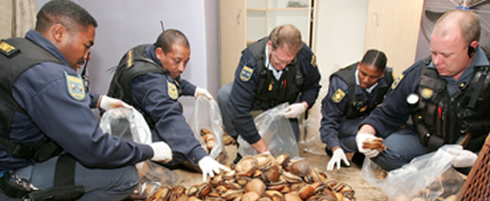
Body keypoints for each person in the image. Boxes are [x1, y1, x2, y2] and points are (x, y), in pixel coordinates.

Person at [0, 0, 173, 201]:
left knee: (74, 135)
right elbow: (95, 149)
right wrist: (149, 150)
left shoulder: (12, 48)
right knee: (124, 176)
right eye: (86, 45)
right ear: (58, 33)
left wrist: (96, 100)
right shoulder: (51, 75)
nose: (87, 55)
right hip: (1, 184)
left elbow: (32, 94)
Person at [355, 9, 490, 172]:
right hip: (429, 145)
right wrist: (364, 135)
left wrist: (479, 159)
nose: (437, 61)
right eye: (433, 52)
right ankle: (433, 179)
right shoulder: (420, 72)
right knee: (385, 150)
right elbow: (387, 113)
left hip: (474, 155)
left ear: (472, 48)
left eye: (446, 55)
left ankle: (457, 179)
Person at [107, 29, 227, 180]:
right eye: (177, 61)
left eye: (186, 62)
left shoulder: (145, 52)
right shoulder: (148, 81)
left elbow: (167, 78)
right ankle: (139, 158)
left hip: (133, 114)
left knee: (177, 121)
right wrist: (199, 155)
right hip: (125, 130)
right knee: (175, 152)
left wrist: (193, 90)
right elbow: (169, 117)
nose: (182, 68)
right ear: (159, 53)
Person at [217, 24, 321, 158]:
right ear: (270, 45)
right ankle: (238, 138)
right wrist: (263, 149)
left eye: (289, 62)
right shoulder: (252, 59)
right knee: (225, 95)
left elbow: (313, 85)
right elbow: (240, 110)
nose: (283, 66)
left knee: (288, 156)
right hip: (258, 98)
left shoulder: (304, 55)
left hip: (286, 103)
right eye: (279, 60)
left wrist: (304, 105)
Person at [320, 49, 393, 171]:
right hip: (346, 123)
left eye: (373, 77)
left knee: (386, 135)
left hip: (367, 118)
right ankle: (341, 146)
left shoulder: (388, 79)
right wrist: (335, 147)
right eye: (363, 73)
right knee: (367, 137)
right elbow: (329, 120)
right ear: (359, 65)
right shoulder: (341, 84)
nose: (366, 80)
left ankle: (360, 154)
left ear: (382, 74)